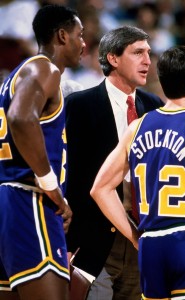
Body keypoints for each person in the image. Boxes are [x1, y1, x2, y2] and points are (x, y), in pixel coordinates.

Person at [90, 45, 185, 300]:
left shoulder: (136, 128)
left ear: (161, 82)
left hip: (151, 245)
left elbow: (100, 189)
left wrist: (135, 237)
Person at [65, 26, 163, 300]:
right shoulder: (80, 105)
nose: (147, 60)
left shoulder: (153, 105)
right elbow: (70, 177)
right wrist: (70, 243)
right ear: (113, 58)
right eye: (138, 53)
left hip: (139, 240)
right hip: (93, 241)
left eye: (149, 53)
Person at [0, 4, 85, 300]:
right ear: (62, 36)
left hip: (9, 200)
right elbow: (21, 118)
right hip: (29, 201)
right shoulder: (43, 67)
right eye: (79, 35)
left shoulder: (16, 76)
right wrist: (52, 188)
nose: (84, 43)